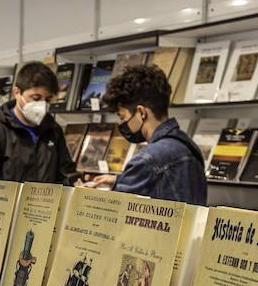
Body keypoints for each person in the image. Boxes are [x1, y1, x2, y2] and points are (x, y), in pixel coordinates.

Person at [88, 64, 207, 205]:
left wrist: (86, 195)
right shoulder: (188, 145)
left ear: (141, 113)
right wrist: (118, 181)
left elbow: (115, 214)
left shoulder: (147, 159)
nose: (121, 123)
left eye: (122, 116)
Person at [0, 61, 76, 184]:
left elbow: (64, 173)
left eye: (48, 99)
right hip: (6, 202)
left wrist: (79, 182)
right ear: (17, 93)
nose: (42, 104)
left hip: (46, 202)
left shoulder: (53, 129)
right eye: (35, 98)